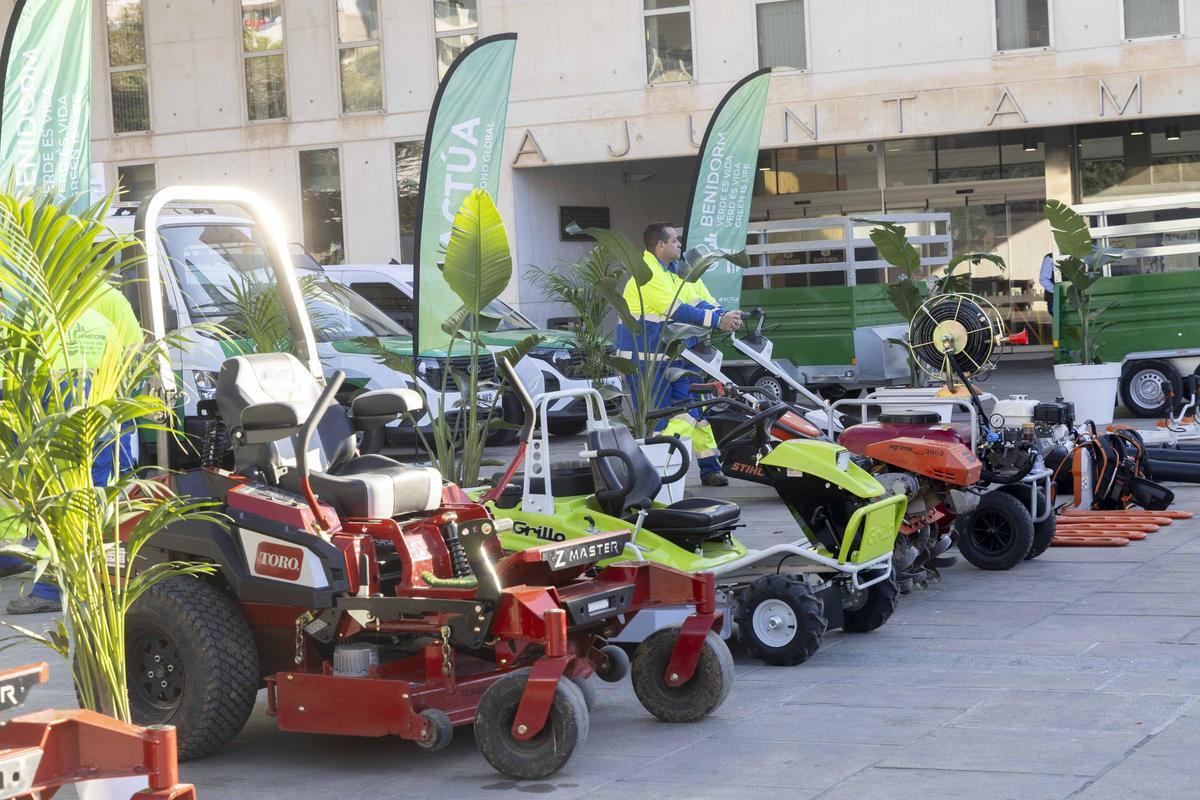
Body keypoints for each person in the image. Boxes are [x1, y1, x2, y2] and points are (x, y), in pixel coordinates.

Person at [1, 279, 143, 615]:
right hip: (105, 405)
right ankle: (106, 579)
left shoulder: (35, 315)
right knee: (98, 498)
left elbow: (16, 381)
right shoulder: (99, 316)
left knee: (59, 502)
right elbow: (134, 353)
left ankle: (51, 590)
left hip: (59, 406)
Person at [615, 222, 743, 487]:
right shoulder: (647, 273)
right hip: (648, 365)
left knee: (696, 411)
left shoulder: (678, 272)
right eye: (674, 240)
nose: (679, 244)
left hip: (677, 357)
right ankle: (660, 473)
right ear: (660, 245)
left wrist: (723, 316)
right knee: (662, 420)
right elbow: (678, 310)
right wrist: (717, 321)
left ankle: (709, 468)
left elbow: (700, 300)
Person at [1039, 252, 1055, 316]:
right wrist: (1057, 291)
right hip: (1054, 299)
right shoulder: (1050, 258)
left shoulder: (1080, 255)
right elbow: (1043, 279)